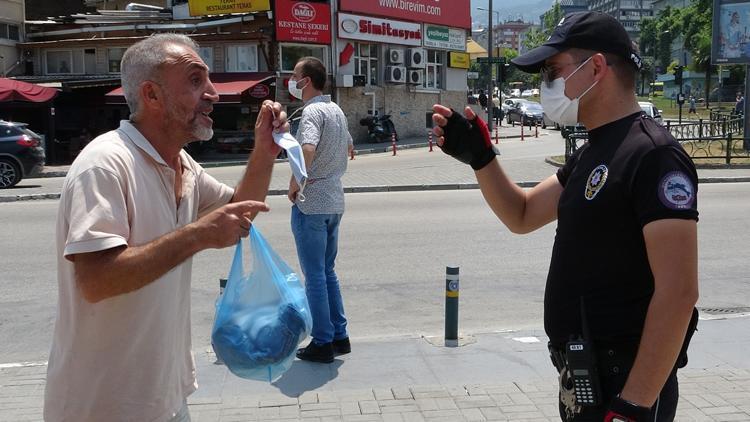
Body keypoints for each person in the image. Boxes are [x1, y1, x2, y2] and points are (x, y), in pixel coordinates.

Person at [432, 12, 698, 422]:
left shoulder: (654, 155)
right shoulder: (591, 152)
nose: (546, 83)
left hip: (627, 380)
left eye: (554, 70)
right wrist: (481, 158)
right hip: (584, 375)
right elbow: (521, 214)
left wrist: (633, 405)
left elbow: (679, 293)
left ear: (596, 68)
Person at [44, 34, 288, 422]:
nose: (213, 93)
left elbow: (241, 211)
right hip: (104, 406)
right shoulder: (106, 164)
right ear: (152, 95)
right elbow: (96, 281)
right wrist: (198, 235)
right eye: (195, 81)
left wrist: (264, 149)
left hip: (166, 395)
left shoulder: (182, 165)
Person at [287, 57, 354, 364]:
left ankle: (323, 342)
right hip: (335, 200)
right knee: (327, 272)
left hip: (312, 201)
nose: (291, 80)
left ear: (306, 82)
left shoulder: (312, 111)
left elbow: (308, 147)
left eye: (295, 76)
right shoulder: (336, 110)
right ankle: (340, 336)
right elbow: (349, 148)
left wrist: (295, 181)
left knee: (314, 275)